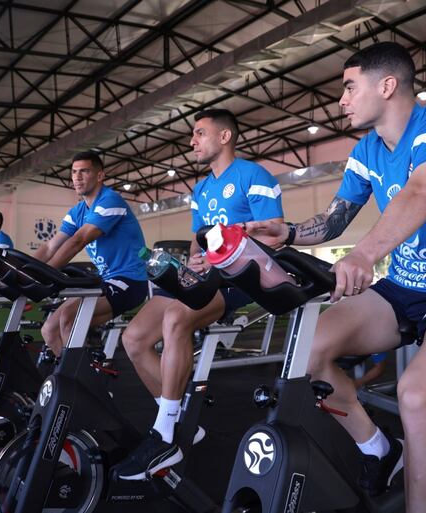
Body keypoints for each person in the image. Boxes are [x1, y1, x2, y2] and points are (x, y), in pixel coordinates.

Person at [245, 42, 426, 513]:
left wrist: (363, 256)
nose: (341, 100)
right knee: (310, 350)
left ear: (386, 86)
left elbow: (419, 193)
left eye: (348, 86)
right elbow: (336, 218)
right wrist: (292, 232)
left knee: (417, 396)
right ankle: (379, 450)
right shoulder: (366, 150)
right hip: (402, 288)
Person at [115, 109, 285, 480]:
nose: (192, 141)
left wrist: (228, 249)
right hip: (204, 276)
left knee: (176, 318)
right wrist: (195, 259)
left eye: (199, 133)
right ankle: (179, 420)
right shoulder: (203, 189)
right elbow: (198, 239)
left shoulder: (253, 176)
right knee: (134, 338)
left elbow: (274, 232)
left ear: (224, 137)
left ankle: (164, 436)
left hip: (240, 278)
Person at [34, 151, 148, 355]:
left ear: (99, 175)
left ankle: (80, 380)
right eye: (74, 172)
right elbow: (51, 246)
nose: (77, 177)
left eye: (84, 171)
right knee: (49, 330)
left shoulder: (110, 200)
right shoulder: (77, 211)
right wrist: (26, 272)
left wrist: (44, 274)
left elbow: (78, 240)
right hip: (105, 280)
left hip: (130, 281)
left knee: (68, 317)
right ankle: (73, 378)